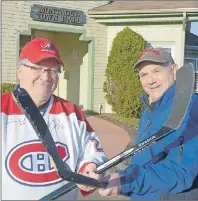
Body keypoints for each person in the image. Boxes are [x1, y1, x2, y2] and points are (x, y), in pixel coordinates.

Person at [1, 38, 107, 200]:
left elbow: (93, 153)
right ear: (20, 71)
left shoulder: (72, 113)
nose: (46, 77)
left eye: (53, 70)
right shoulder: (3, 109)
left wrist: (90, 170)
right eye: (38, 68)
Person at [98, 48, 198, 200]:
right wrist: (119, 180)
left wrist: (126, 181)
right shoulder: (150, 111)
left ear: (174, 70)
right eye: (144, 75)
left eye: (156, 71)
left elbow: (180, 172)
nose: (150, 80)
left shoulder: (190, 108)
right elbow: (144, 160)